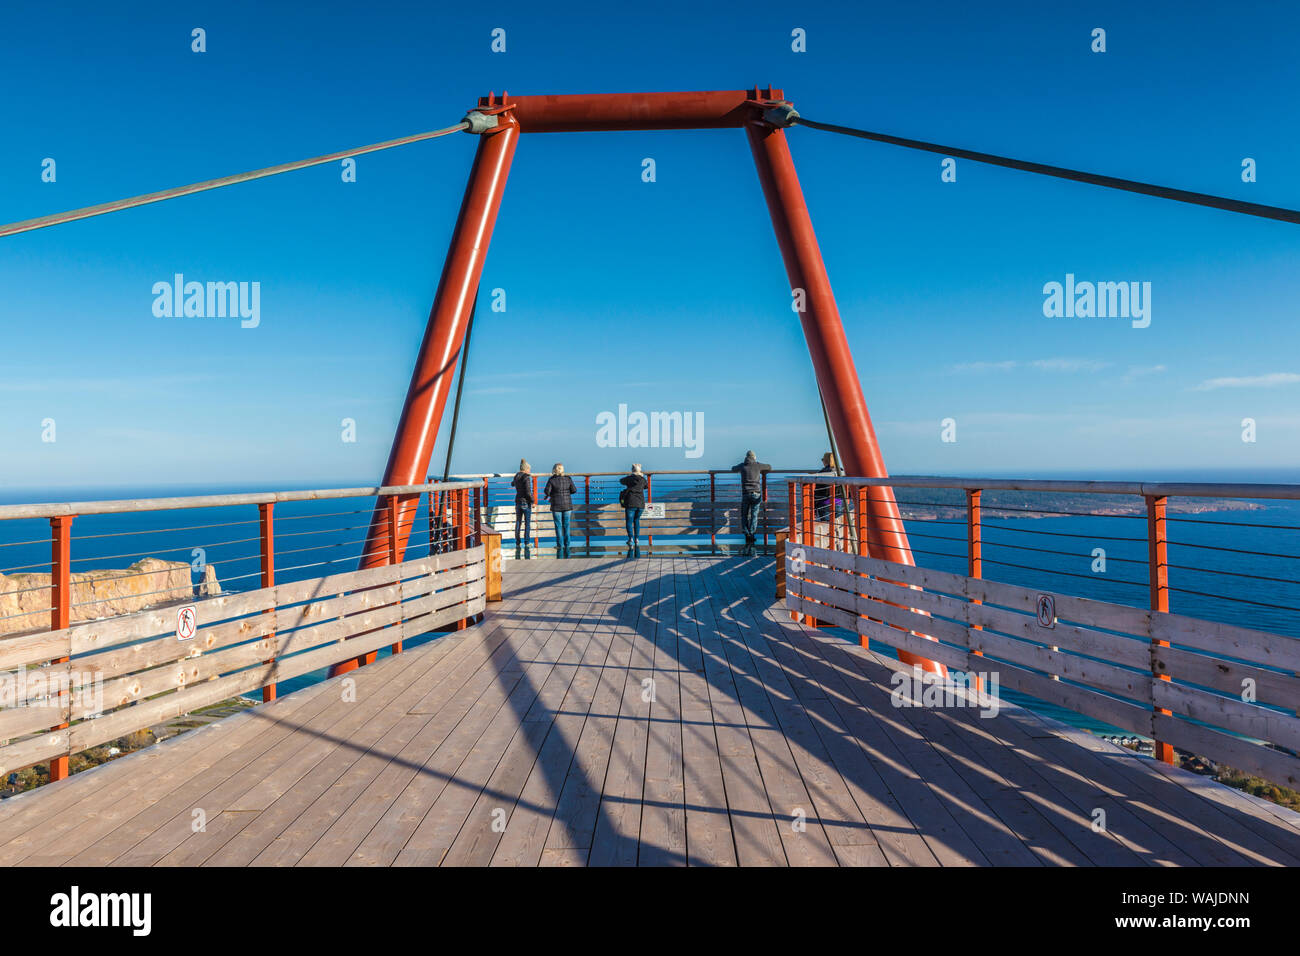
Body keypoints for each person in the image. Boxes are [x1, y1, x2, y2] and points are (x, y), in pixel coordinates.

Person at [730, 450, 771, 556]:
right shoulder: (758, 465)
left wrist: (740, 467)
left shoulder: (742, 466)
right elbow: (769, 467)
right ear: (754, 457)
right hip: (756, 494)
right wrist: (759, 466)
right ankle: (752, 534)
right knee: (754, 515)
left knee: (744, 515)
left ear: (746, 457)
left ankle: (747, 534)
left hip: (745, 494)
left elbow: (733, 469)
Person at [544, 462, 577, 558]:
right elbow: (574, 490)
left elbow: (547, 491)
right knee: (566, 525)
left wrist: (553, 494)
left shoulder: (552, 480)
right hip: (567, 505)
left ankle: (560, 545)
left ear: (554, 470)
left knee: (558, 526)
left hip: (556, 506)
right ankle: (567, 545)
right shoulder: (568, 479)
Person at [619, 463, 648, 556]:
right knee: (637, 521)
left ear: (632, 470)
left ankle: (630, 538)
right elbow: (646, 487)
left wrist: (630, 475)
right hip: (640, 504)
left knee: (629, 521)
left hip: (630, 502)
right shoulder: (643, 479)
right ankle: (637, 538)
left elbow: (621, 481)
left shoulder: (629, 479)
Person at [511, 459, 534, 558]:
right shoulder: (526, 477)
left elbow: (512, 484)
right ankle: (527, 542)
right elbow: (528, 492)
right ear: (526, 469)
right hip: (525, 502)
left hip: (518, 501)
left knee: (518, 522)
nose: (530, 471)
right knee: (527, 523)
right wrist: (532, 501)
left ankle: (517, 542)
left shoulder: (516, 476)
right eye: (529, 469)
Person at [814, 451, 837, 522]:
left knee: (826, 526)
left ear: (825, 461)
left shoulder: (821, 473)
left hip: (824, 503)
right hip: (838, 502)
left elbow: (817, 492)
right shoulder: (840, 471)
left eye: (822, 460)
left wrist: (814, 507)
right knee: (837, 526)